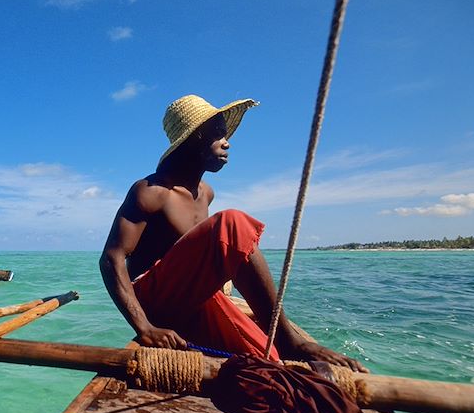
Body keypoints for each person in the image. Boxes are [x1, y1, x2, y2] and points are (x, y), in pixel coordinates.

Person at [99, 94, 366, 372]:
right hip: (154, 302)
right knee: (232, 222)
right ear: (194, 138)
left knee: (266, 357)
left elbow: (210, 259)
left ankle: (281, 341)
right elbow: (111, 259)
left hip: (192, 299)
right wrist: (144, 327)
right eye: (217, 135)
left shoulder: (206, 194)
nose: (227, 143)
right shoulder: (152, 191)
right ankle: (289, 340)